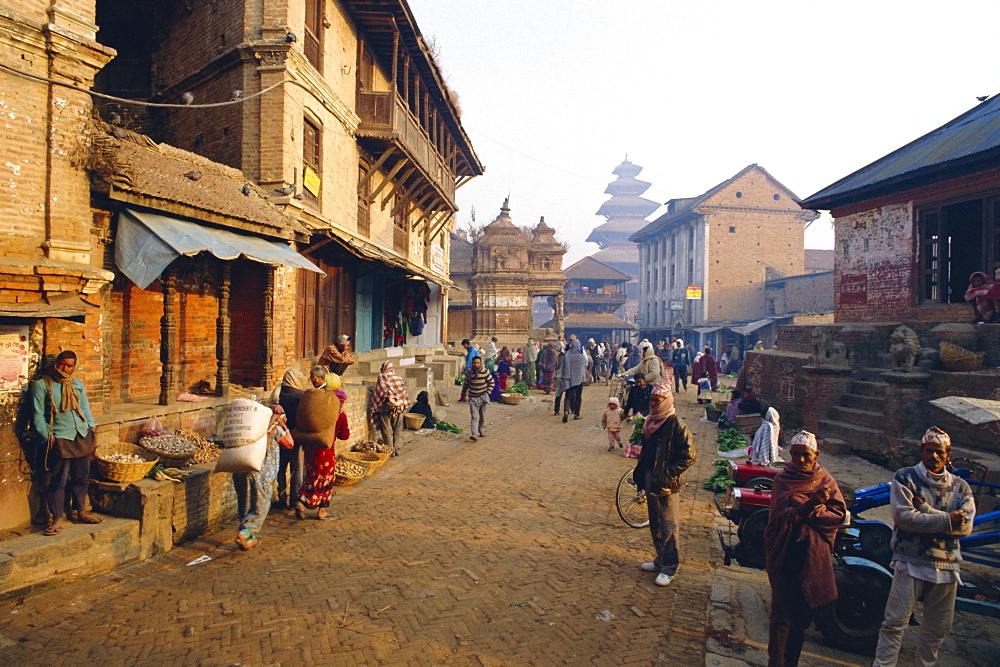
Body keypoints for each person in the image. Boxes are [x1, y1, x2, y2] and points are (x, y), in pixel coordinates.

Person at [872, 427, 975, 667]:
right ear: (921, 451)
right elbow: (904, 517)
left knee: (936, 630)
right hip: (910, 561)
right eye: (930, 451)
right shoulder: (905, 477)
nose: (934, 457)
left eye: (940, 452)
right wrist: (948, 519)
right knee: (894, 623)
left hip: (946, 564)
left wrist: (926, 511)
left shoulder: (961, 487)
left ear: (948, 455)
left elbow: (965, 528)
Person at [764, 431, 846, 667]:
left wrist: (811, 511)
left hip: (812, 558)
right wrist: (809, 504)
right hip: (785, 554)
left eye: (806, 455)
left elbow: (837, 516)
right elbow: (778, 519)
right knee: (780, 618)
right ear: (790, 455)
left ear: (816, 455)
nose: (801, 460)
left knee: (800, 621)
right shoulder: (783, 480)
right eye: (796, 455)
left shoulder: (825, 480)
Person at [633, 383, 696, 586]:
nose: (653, 404)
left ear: (666, 401)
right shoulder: (651, 422)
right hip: (651, 476)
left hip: (667, 482)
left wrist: (667, 474)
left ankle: (670, 566)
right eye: (651, 400)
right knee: (655, 522)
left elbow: (689, 456)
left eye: (657, 401)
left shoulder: (676, 424)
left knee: (669, 524)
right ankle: (660, 559)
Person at [32, 350, 100, 536]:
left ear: (74, 367)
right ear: (56, 364)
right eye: (62, 364)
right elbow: (38, 415)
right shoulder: (42, 385)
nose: (65, 368)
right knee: (58, 480)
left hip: (81, 435)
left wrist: (91, 427)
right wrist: (47, 436)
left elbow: (84, 407)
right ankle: (57, 518)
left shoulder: (77, 383)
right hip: (60, 437)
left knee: (81, 477)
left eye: (69, 365)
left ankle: (81, 511)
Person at [233, 404, 285, 548]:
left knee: (245, 503)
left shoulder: (246, 429)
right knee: (260, 505)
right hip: (261, 474)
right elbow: (289, 442)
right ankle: (245, 532)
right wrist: (280, 423)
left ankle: (247, 537)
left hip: (241, 471)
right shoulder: (273, 429)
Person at [296, 389, 350, 520]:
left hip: (310, 450)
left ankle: (301, 501)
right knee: (326, 479)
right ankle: (321, 511)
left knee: (311, 477)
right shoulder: (340, 416)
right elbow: (345, 435)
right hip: (326, 452)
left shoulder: (319, 413)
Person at [276, 368, 309, 509]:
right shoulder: (301, 395)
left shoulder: (277, 394)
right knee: (296, 470)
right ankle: (295, 499)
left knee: (281, 469)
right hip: (296, 437)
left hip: (280, 437)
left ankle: (282, 498)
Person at [371, 361, 410, 456]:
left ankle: (390, 449)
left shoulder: (382, 376)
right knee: (396, 427)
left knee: (386, 429)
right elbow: (403, 390)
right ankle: (396, 447)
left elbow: (383, 390)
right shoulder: (398, 377)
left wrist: (390, 396)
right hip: (398, 406)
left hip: (385, 406)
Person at [462, 356, 494, 441]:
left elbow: (491, 383)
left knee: (482, 416)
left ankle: (481, 430)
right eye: (474, 363)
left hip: (483, 397)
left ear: (480, 363)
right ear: (472, 363)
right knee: (474, 416)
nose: (476, 364)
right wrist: (463, 393)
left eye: (477, 363)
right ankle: (474, 434)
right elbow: (466, 384)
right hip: (473, 397)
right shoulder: (469, 372)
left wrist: (487, 392)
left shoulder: (485, 371)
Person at [560, 338, 588, 422]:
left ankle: (566, 411)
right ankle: (576, 414)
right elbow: (584, 368)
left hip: (569, 379)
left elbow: (563, 367)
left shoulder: (567, 355)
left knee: (568, 396)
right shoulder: (581, 356)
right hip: (579, 380)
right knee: (578, 397)